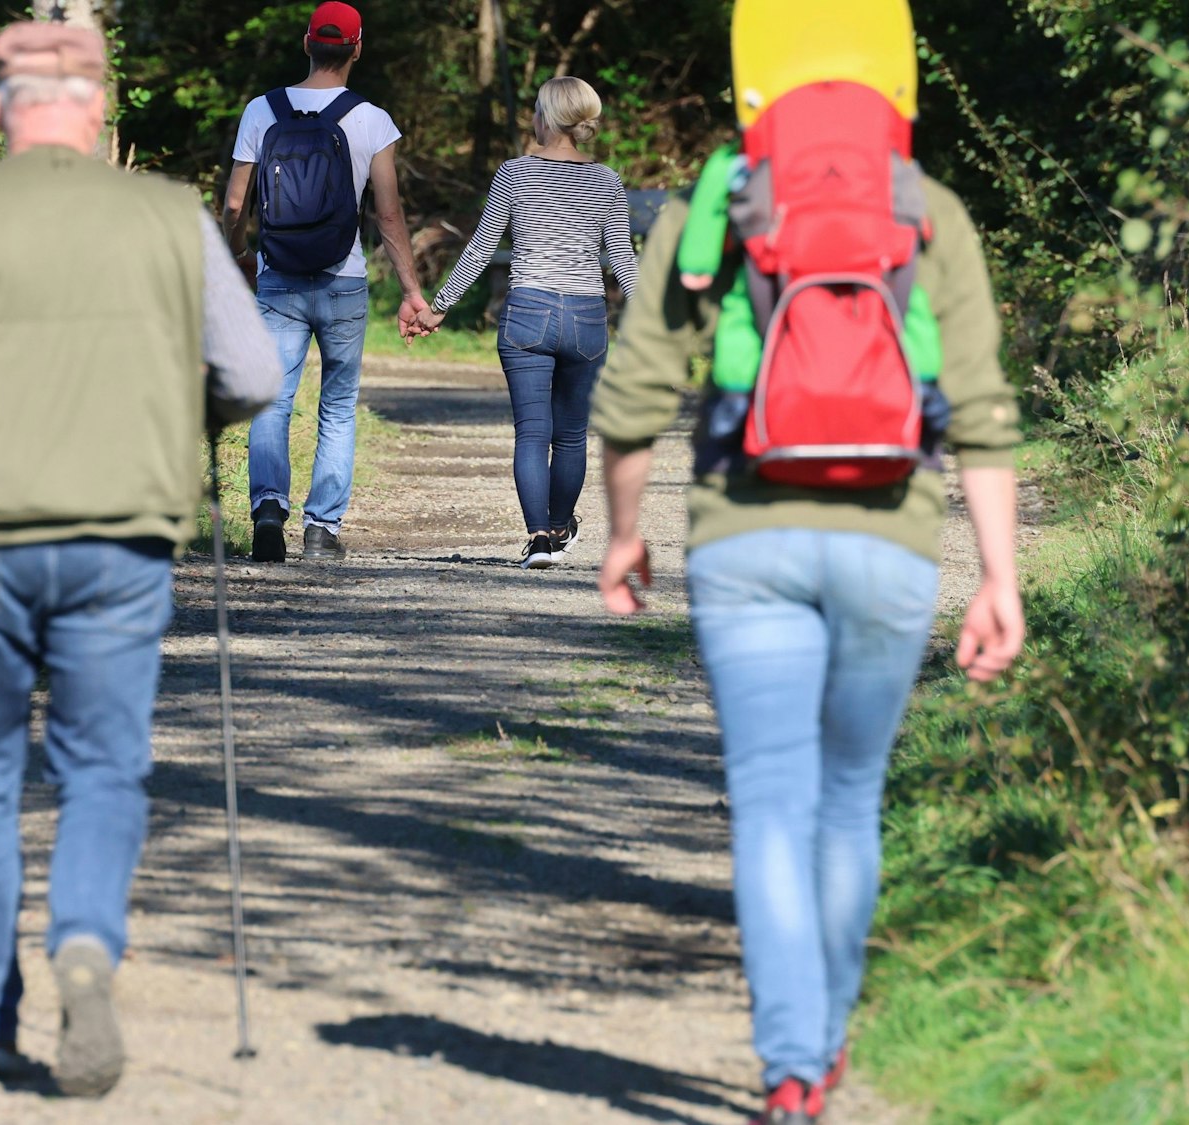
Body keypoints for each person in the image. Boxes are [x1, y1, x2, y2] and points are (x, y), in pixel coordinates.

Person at [0, 22, 279, 1096]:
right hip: (122, 536)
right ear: (99, 108)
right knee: (103, 767)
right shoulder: (170, 215)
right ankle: (84, 944)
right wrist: (185, 417)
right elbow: (254, 372)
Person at [591, 153, 1027, 1122]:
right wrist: (999, 577)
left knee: (770, 805)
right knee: (848, 799)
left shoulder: (720, 198)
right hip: (890, 543)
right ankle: (825, 1041)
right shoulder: (926, 205)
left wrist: (622, 533)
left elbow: (634, 390)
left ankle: (790, 1070)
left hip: (745, 542)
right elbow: (982, 409)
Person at [220, 1, 428, 563]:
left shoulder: (261, 110)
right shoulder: (371, 119)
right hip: (345, 281)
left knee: (272, 399)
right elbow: (388, 214)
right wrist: (411, 291)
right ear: (357, 48)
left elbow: (235, 204)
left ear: (306, 43)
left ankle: (268, 511)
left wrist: (239, 255)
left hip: (278, 279)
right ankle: (321, 530)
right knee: (337, 406)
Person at [412, 76, 639, 569]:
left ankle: (538, 539)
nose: (532, 117)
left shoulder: (515, 173)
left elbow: (480, 249)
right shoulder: (606, 181)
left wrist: (438, 307)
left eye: (536, 109)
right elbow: (622, 258)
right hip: (585, 317)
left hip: (528, 314)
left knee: (532, 433)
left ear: (547, 117)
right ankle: (559, 529)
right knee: (572, 435)